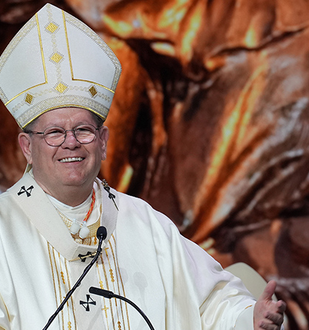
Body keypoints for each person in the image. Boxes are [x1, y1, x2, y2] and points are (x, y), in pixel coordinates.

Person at [0, 3, 286, 330]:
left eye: (83, 130)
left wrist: (250, 318)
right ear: (26, 147)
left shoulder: (143, 222)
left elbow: (212, 301)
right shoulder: (4, 230)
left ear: (103, 141)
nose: (71, 143)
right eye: (54, 133)